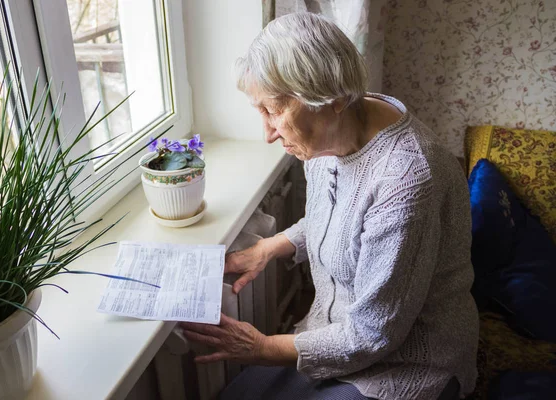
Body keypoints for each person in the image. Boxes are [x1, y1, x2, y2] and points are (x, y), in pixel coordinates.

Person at [181, 12, 478, 400]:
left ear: (332, 99)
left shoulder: (405, 182)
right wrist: (268, 247)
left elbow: (374, 334)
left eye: (274, 111)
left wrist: (260, 348)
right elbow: (342, 219)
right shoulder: (327, 137)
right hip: (334, 334)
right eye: (260, 110)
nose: (268, 133)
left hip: (410, 363)